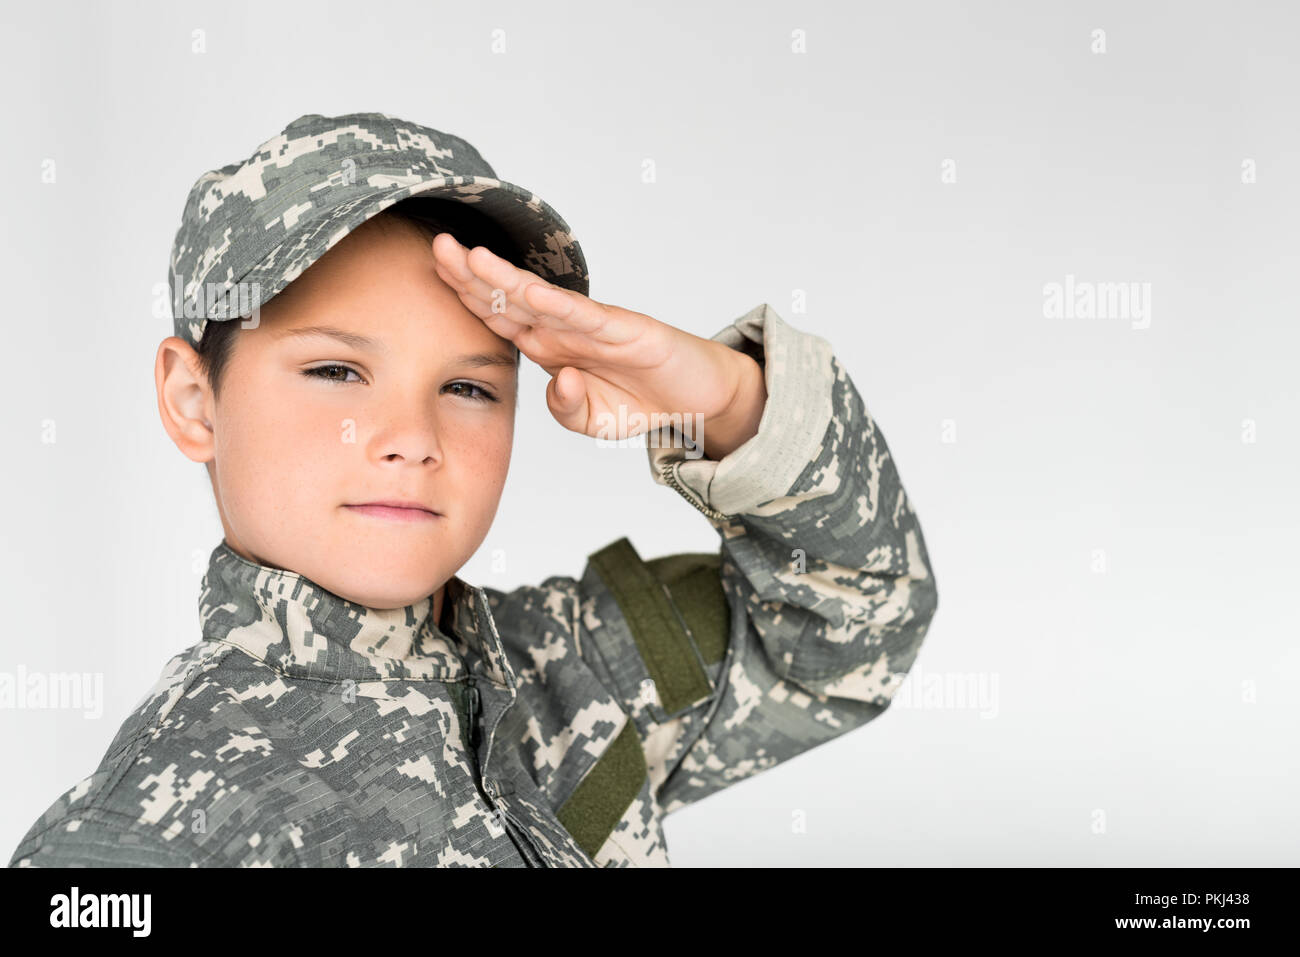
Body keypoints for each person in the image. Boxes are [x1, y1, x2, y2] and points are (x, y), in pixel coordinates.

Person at [9, 112, 939, 867]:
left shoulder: (572, 674)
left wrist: (728, 399)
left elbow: (853, 624)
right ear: (191, 398)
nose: (412, 439)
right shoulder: (147, 836)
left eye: (468, 387)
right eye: (336, 370)